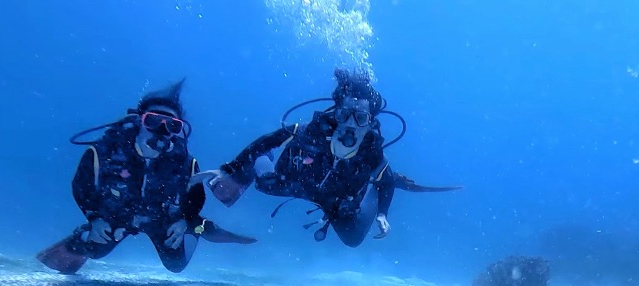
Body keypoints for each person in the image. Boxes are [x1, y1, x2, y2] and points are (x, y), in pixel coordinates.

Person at [193, 69, 460, 247]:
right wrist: (231, 168)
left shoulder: (371, 151)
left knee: (353, 238)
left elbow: (387, 182)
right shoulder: (312, 132)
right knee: (264, 183)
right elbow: (271, 138)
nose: (351, 124)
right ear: (335, 114)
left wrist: (382, 214)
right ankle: (258, 165)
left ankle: (373, 185)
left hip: (335, 199)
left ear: (370, 122)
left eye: (360, 118)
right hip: (297, 182)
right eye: (344, 115)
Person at [37, 80, 255, 275]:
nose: (161, 130)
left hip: (162, 220)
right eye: (153, 121)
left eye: (172, 125)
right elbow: (81, 187)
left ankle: (199, 228)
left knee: (176, 264)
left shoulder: (185, 163)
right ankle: (82, 238)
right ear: (139, 121)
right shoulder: (103, 152)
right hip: (116, 217)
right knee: (95, 250)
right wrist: (94, 218)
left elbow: (195, 198)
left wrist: (183, 220)